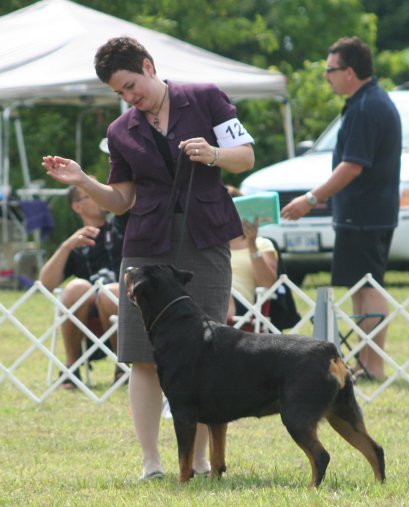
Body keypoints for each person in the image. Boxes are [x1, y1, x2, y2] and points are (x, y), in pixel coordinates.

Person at [42, 36, 254, 480]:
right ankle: (151, 464)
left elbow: (246, 158)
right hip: (146, 244)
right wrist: (83, 180)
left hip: (205, 237)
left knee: (204, 351)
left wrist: (214, 154)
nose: (129, 97)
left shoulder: (206, 97)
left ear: (148, 66)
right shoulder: (120, 131)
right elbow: (121, 200)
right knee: (141, 354)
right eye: (119, 92)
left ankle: (198, 461)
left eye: (130, 85)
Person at [281, 36, 401, 381]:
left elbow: (352, 166)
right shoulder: (365, 101)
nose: (326, 76)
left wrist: (310, 199)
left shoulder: (366, 107)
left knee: (369, 286)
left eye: (330, 69)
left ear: (350, 72)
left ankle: (373, 365)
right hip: (366, 212)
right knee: (361, 286)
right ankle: (365, 362)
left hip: (364, 213)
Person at [39, 181, 127, 388]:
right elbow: (45, 285)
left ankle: (122, 367)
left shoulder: (123, 227)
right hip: (85, 320)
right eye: (90, 193)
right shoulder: (77, 243)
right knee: (76, 287)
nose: (99, 195)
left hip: (123, 310)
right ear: (77, 206)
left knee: (109, 292)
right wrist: (66, 247)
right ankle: (72, 368)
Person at [226, 186, 278, 322]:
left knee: (221, 292)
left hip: (240, 305)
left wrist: (252, 245)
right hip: (212, 294)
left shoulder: (262, 244)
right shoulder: (211, 244)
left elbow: (267, 284)